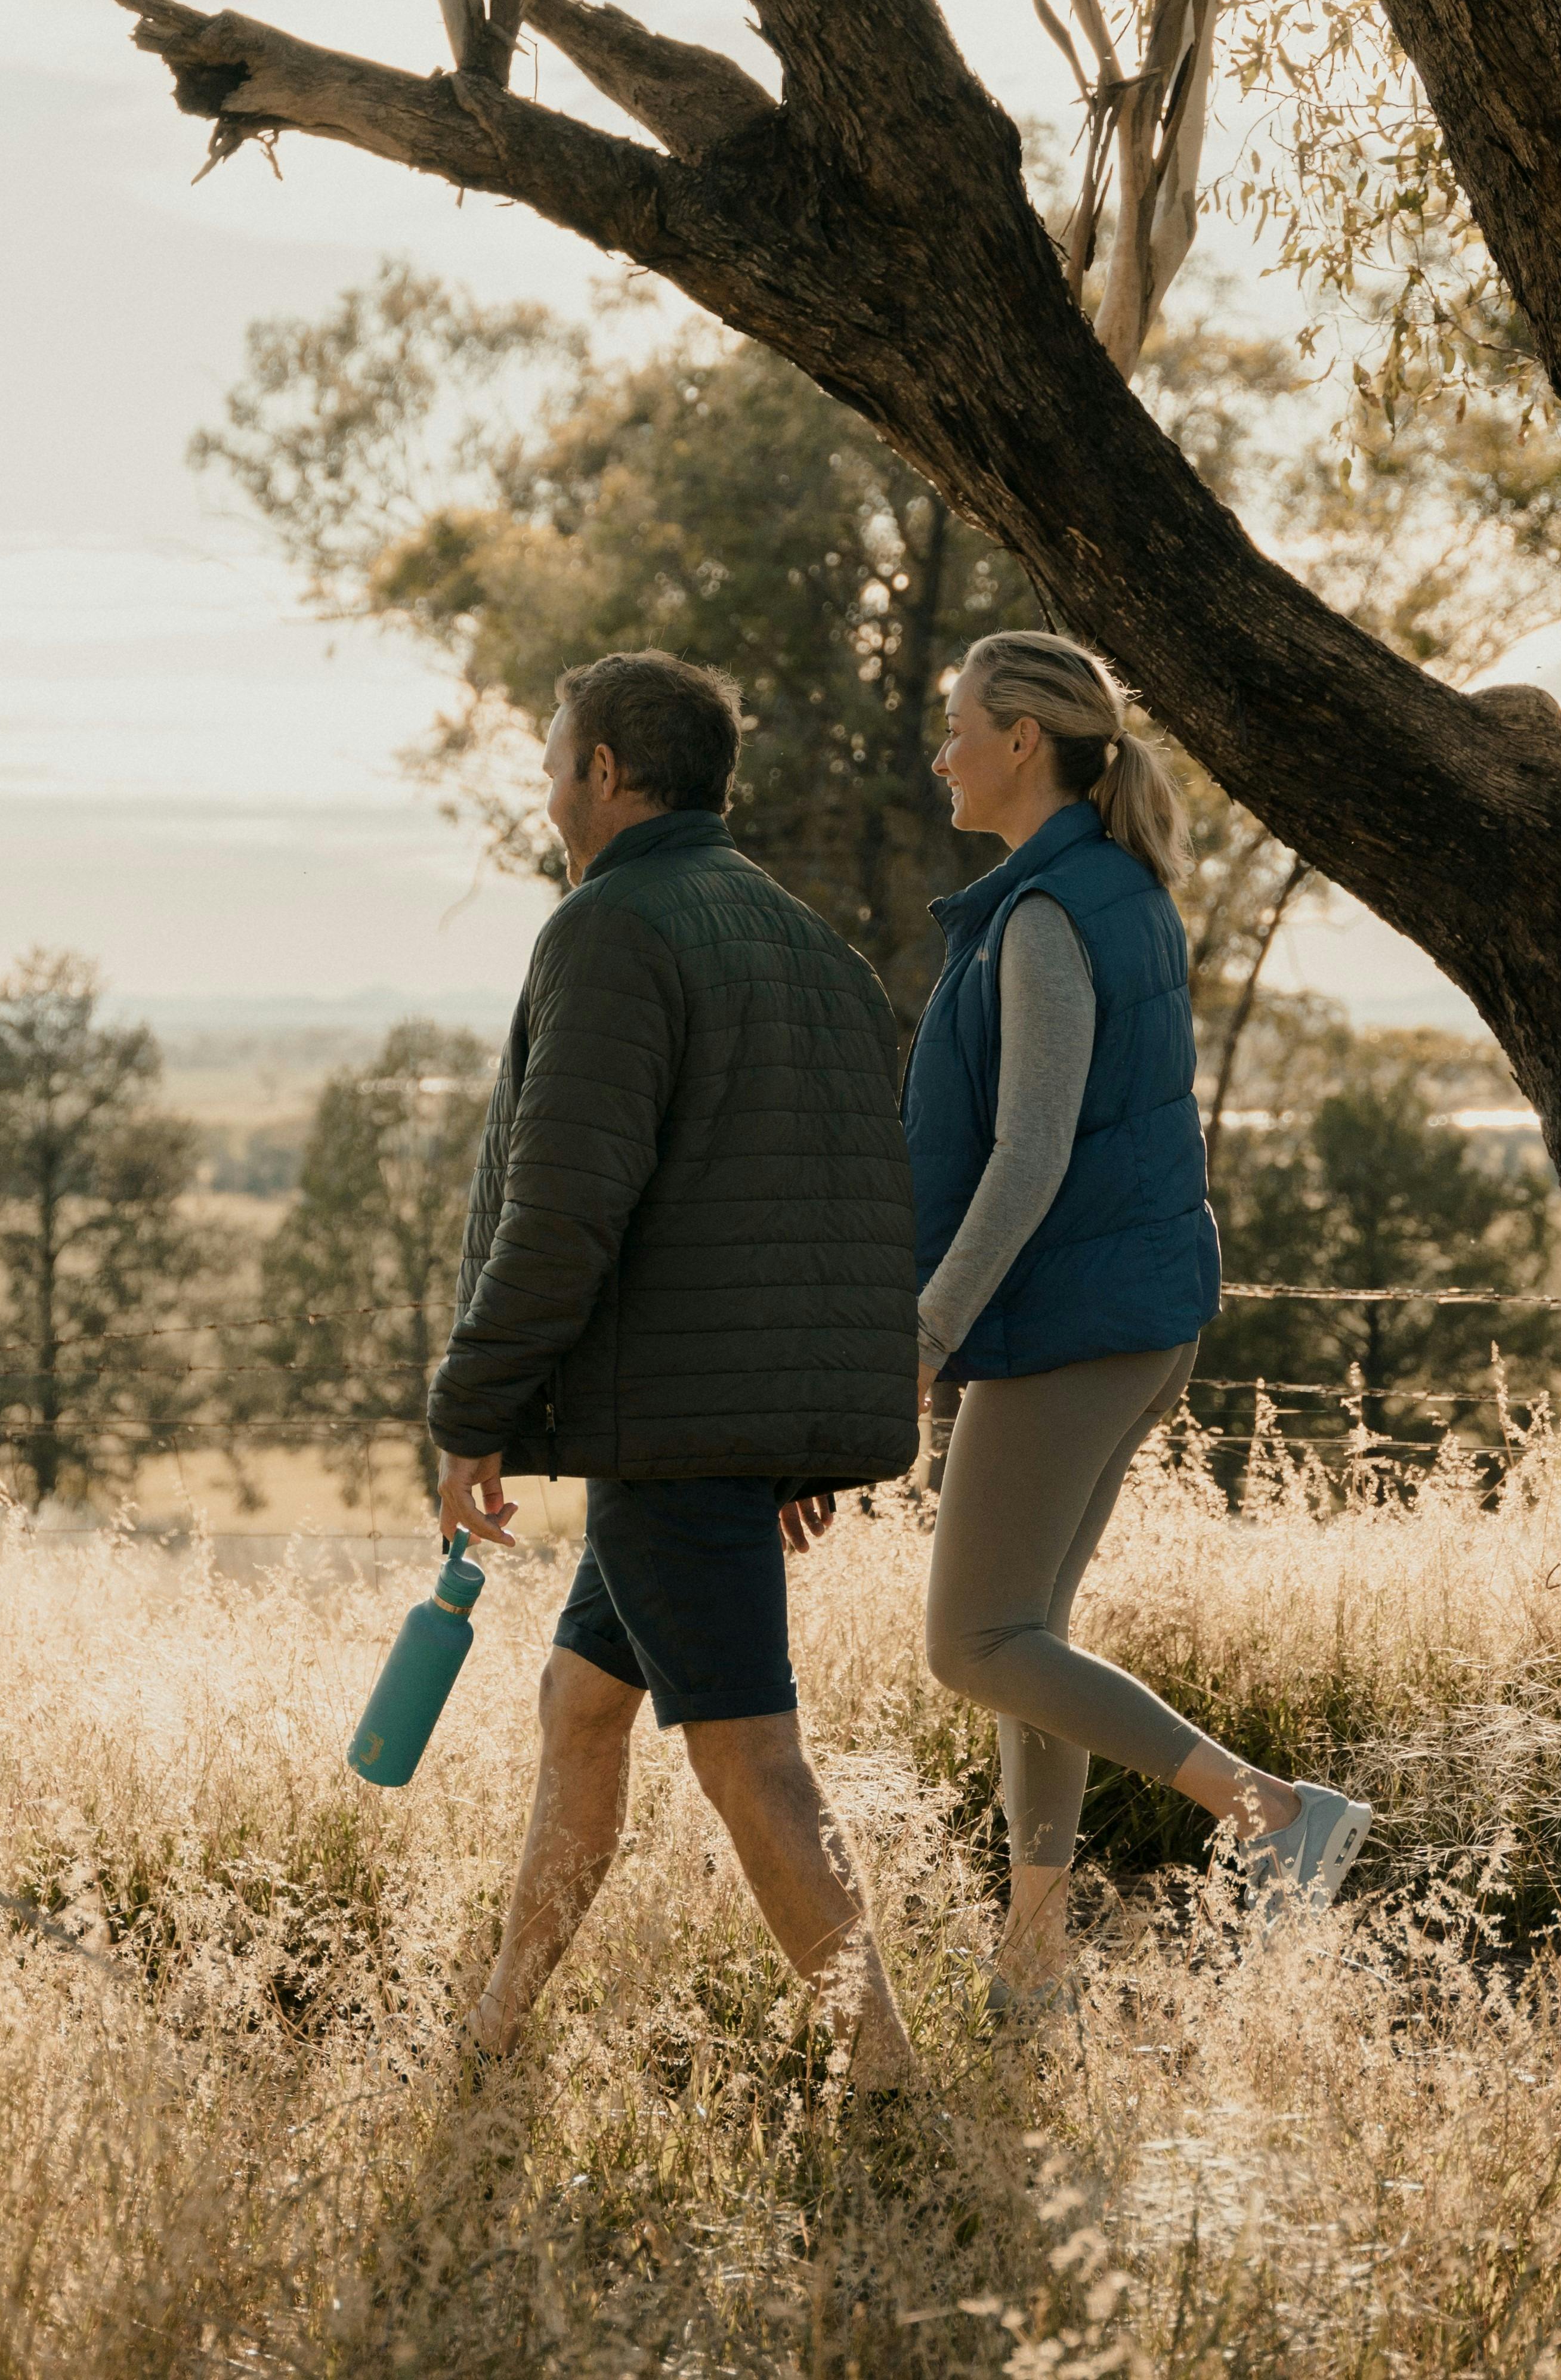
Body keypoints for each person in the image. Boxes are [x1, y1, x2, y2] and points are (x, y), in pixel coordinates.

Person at [431, 648, 926, 2088]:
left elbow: (564, 1203)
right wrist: (805, 1435)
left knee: (745, 1755)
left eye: (550, 760)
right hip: (719, 1422)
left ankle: (887, 2079)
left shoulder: (609, 931)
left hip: (668, 1424)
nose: (543, 790)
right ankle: (493, 2034)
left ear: (601, 772)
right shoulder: (807, 945)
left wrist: (473, 1409)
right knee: (583, 1707)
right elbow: (832, 1205)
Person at [911, 630, 1367, 2022]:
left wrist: (923, 1333)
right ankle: (1034, 1964)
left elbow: (1029, 1157)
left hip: (1074, 1321)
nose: (942, 749)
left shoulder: (1046, 916)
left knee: (971, 1642)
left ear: (1024, 744)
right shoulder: (1115, 892)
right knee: (1027, 1642)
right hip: (1127, 1310)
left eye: (958, 723)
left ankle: (1275, 1814)